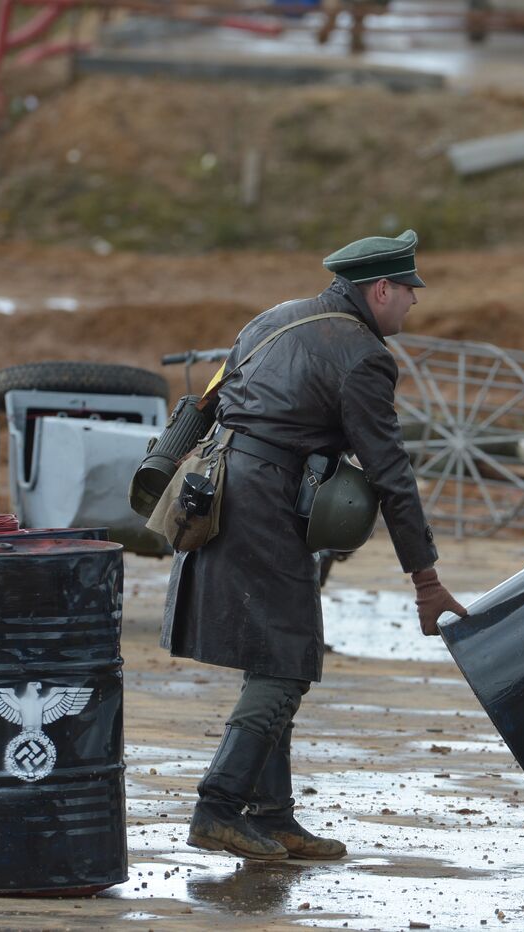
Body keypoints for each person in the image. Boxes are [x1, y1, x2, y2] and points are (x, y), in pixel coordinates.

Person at [162, 229, 468, 861]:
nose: (413, 303)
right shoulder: (362, 355)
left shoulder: (271, 319)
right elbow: (391, 475)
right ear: (380, 289)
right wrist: (427, 581)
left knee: (273, 658)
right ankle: (217, 810)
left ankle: (273, 817)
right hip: (263, 505)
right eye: (409, 291)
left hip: (217, 487)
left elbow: (213, 401)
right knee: (288, 664)